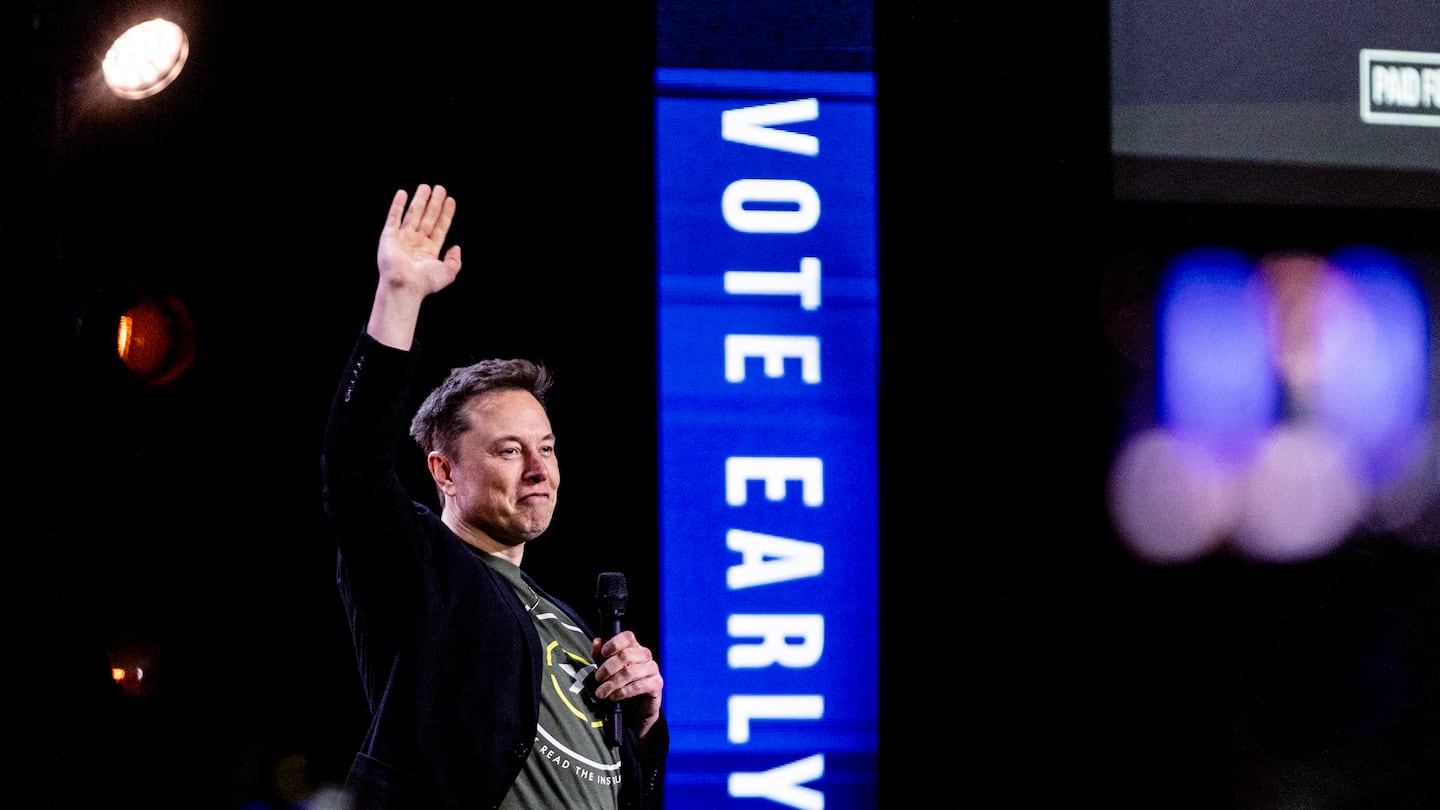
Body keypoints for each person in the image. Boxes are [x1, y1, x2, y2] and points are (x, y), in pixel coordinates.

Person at [320, 183, 668, 810]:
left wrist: (642, 730)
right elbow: (355, 469)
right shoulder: (421, 572)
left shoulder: (567, 623)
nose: (539, 468)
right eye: (510, 450)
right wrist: (398, 295)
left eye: (548, 447)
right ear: (444, 471)